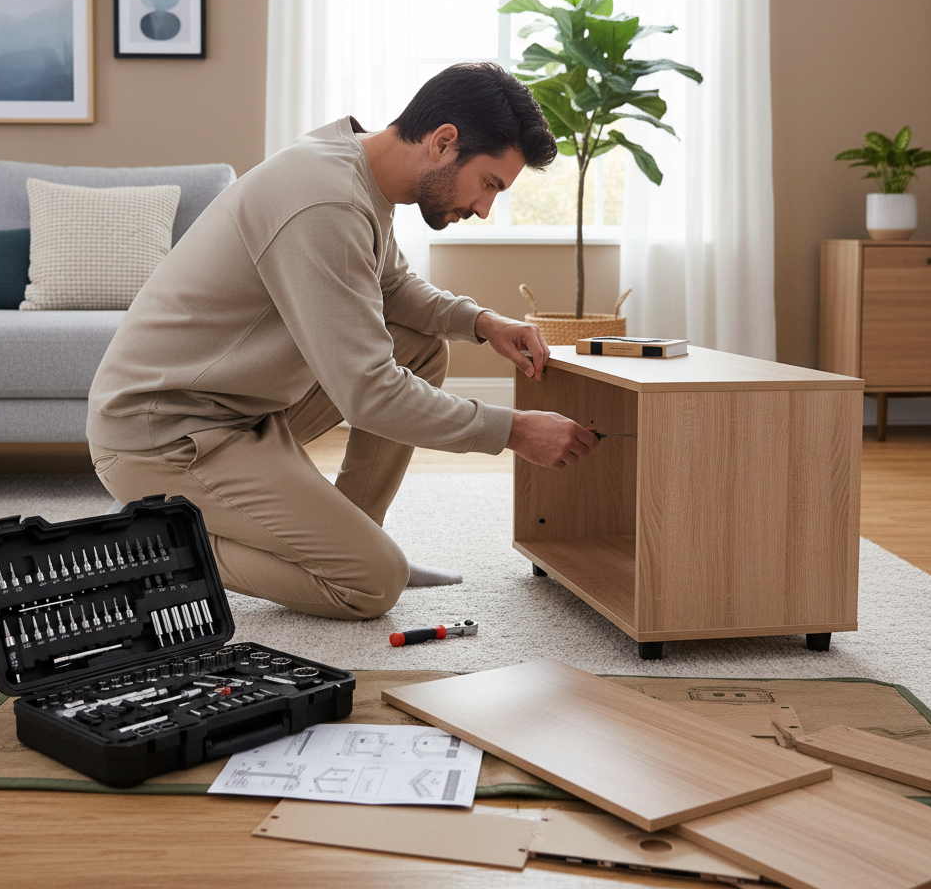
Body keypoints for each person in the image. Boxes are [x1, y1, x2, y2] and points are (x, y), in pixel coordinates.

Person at [87, 62, 598, 621]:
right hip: (166, 432)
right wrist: (514, 430)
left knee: (421, 346)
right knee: (373, 583)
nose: (483, 207)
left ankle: (350, 534)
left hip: (235, 410)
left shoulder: (357, 166)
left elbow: (392, 286)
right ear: (444, 142)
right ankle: (145, 547)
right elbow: (369, 394)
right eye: (489, 184)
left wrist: (481, 322)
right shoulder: (325, 200)